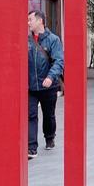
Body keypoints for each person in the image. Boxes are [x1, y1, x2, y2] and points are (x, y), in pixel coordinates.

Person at [28, 10, 64, 159]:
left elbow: (59, 61)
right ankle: (31, 148)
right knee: (30, 115)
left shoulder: (53, 40)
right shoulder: (26, 40)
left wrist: (50, 76)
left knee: (48, 115)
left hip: (48, 85)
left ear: (40, 21)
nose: (28, 23)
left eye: (30, 20)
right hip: (30, 86)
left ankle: (49, 137)